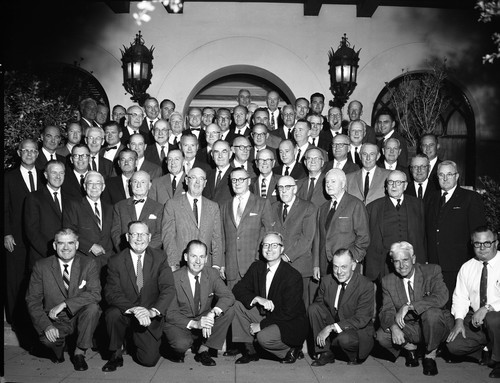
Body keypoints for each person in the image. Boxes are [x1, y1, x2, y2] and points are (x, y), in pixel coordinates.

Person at [103, 221, 176, 370]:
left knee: (149, 361)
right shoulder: (115, 261)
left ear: (149, 237)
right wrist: (134, 309)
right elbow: (111, 293)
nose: (139, 238)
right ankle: (115, 353)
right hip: (126, 311)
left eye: (143, 234)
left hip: (149, 314)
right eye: (134, 234)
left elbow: (168, 288)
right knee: (112, 314)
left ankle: (137, 342)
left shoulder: (159, 257)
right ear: (127, 237)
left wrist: (151, 311)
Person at [26, 228, 101, 370]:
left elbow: (95, 293)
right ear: (55, 246)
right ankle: (57, 352)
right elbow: (32, 301)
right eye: (61, 243)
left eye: (70, 243)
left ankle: (80, 353)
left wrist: (65, 304)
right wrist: (47, 325)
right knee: (47, 341)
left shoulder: (88, 263)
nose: (66, 248)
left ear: (77, 245)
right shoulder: (41, 266)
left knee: (93, 308)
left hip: (80, 316)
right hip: (56, 320)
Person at [376, 241, 453, 376]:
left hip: (435, 324)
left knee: (432, 313)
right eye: (396, 261)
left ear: (414, 259)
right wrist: (394, 327)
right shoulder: (388, 281)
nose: (401, 265)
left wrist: (410, 305)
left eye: (405, 260)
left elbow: (441, 297)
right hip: (410, 326)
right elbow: (386, 310)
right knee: (382, 335)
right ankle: (410, 348)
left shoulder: (432, 271)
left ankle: (430, 355)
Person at [231, 232, 308, 364]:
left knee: (263, 337)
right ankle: (250, 351)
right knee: (237, 304)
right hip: (267, 315)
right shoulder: (257, 267)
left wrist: (260, 325)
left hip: (288, 322)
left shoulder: (292, 276)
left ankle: (291, 349)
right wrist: (257, 298)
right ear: (261, 249)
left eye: (274, 245)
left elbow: (288, 312)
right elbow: (237, 289)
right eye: (266, 245)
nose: (269, 249)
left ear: (282, 249)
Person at [164, 240, 235, 366]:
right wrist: (195, 324)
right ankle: (173, 347)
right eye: (193, 256)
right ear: (186, 257)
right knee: (181, 345)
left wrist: (212, 313)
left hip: (203, 319)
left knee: (228, 310)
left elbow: (228, 296)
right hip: (181, 322)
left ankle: (204, 349)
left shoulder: (211, 274)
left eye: (201, 257)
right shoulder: (174, 278)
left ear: (206, 259)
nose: (198, 261)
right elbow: (170, 313)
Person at [425, 160, 487, 300]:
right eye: (441, 175)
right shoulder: (430, 198)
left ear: (457, 176)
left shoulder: (471, 198)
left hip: (459, 263)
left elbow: (477, 233)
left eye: (449, 174)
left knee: (458, 303)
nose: (445, 179)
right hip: (434, 263)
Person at [446, 226, 500, 379]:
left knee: (493, 318)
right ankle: (487, 349)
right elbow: (460, 297)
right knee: (453, 345)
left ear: (496, 243)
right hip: (477, 319)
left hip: (496, 317)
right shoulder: (467, 267)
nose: (482, 248)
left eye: (487, 243)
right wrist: (459, 321)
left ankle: (498, 361)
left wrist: (488, 308)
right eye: (477, 244)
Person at [309, 249, 375, 366]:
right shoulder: (326, 281)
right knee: (314, 308)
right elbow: (319, 307)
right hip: (336, 324)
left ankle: (352, 356)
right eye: (335, 267)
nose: (339, 272)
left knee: (345, 340)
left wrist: (330, 328)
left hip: (356, 329)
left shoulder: (365, 285)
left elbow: (361, 319)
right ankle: (325, 352)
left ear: (353, 266)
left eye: (344, 267)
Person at [4, 139, 43, 325]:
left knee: (36, 277)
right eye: (25, 151)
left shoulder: (45, 175)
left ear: (37, 153)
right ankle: (15, 319)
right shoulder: (9, 178)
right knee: (15, 278)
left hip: (39, 236)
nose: (29, 154)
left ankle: (34, 318)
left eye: (33, 151)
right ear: (19, 153)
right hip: (16, 236)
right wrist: (6, 233)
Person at [365, 170, 426, 281]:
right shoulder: (373, 207)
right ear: (386, 185)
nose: (393, 186)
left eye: (398, 182)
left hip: (411, 264)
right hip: (384, 264)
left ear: (405, 185)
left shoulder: (417, 205)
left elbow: (423, 235)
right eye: (390, 182)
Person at [220, 168, 275, 288]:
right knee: (232, 304)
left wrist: (259, 260)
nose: (237, 183)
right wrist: (222, 264)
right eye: (234, 180)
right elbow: (222, 237)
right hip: (231, 268)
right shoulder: (224, 206)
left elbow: (269, 233)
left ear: (249, 181)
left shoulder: (262, 203)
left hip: (254, 265)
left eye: (241, 179)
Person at [162, 167, 223, 271]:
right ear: (186, 180)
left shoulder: (213, 207)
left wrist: (216, 265)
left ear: (205, 183)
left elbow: (216, 237)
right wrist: (172, 264)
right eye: (193, 178)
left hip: (206, 267)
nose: (197, 182)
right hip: (180, 266)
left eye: (201, 179)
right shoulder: (172, 204)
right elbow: (168, 237)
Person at [313, 168, 370, 278]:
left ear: (343, 183)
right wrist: (317, 264)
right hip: (325, 266)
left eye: (333, 181)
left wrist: (352, 260)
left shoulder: (355, 204)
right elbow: (318, 238)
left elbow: (364, 238)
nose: (329, 185)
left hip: (346, 266)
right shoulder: (323, 208)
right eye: (327, 182)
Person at [272, 176, 318, 307]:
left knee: (299, 307)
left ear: (295, 189)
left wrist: (286, 256)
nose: (284, 191)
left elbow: (307, 238)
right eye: (280, 187)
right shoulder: (273, 207)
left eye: (288, 187)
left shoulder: (308, 207)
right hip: (277, 267)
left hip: (299, 267)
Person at [63, 171, 113, 269]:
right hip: (83, 260)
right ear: (85, 187)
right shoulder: (74, 205)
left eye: (98, 183)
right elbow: (69, 232)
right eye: (90, 183)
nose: (94, 187)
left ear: (103, 187)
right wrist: (90, 246)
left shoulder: (110, 208)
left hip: (107, 261)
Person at [25, 160, 68, 265]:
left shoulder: (71, 198)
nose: (58, 176)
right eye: (54, 172)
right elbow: (32, 232)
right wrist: (53, 253)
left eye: (61, 173)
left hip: (68, 257)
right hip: (43, 257)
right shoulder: (34, 198)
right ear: (45, 175)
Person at [111, 170, 163, 252]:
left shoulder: (159, 208)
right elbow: (115, 233)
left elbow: (160, 234)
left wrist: (144, 253)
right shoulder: (119, 206)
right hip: (125, 254)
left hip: (150, 255)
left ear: (149, 185)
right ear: (130, 185)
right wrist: (127, 252)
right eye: (135, 182)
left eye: (143, 182)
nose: (138, 185)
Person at [203, 140, 235, 205]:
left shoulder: (236, 175)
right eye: (216, 152)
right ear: (212, 155)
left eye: (224, 152)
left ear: (230, 154)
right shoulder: (206, 175)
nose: (220, 156)